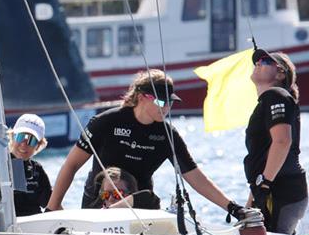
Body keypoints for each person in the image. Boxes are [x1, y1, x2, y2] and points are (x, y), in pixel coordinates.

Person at [46, 69, 244, 220]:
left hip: (141, 207)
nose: (166, 108)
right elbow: (71, 165)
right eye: (160, 102)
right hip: (98, 205)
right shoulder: (106, 122)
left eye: (170, 103)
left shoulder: (167, 134)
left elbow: (194, 176)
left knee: (149, 198)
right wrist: (52, 207)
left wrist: (232, 207)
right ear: (141, 97)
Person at [245, 49, 308, 234]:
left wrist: (264, 184)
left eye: (265, 61)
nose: (258, 63)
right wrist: (253, 197)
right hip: (275, 188)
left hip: (282, 189)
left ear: (281, 73)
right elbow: (264, 157)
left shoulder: (276, 95)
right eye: (256, 61)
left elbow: (282, 141)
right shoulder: (269, 100)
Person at [9, 114, 52, 216]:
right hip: (10, 225)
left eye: (31, 140)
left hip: (33, 224)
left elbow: (51, 204)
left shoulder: (37, 169)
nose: (24, 144)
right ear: (12, 137)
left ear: (38, 146)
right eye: (20, 137)